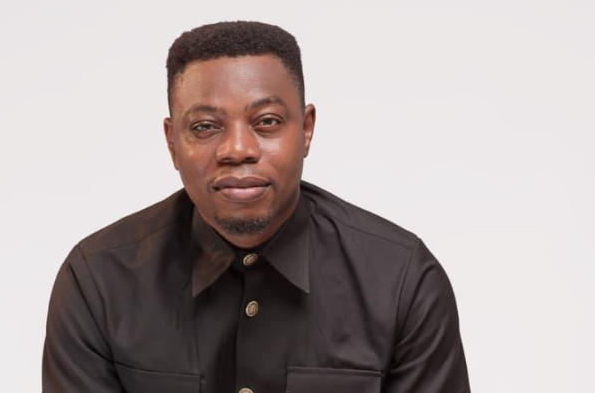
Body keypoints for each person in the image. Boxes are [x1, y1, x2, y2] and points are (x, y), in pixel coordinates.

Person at [42, 21, 471, 393]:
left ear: (306, 130)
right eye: (205, 126)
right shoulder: (99, 282)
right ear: (172, 143)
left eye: (266, 121)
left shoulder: (401, 281)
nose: (237, 149)